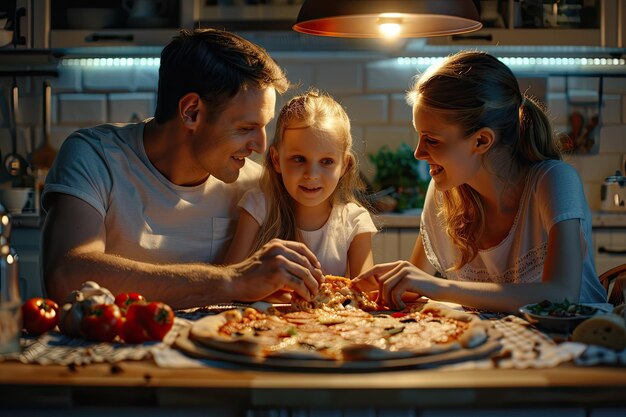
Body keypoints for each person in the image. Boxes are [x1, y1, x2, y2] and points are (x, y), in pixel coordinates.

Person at [41, 29, 324, 309]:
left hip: (214, 349)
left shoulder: (253, 186)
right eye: (246, 128)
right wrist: (233, 280)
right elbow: (66, 276)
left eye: (264, 127)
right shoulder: (94, 156)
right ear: (191, 112)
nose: (261, 146)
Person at [354, 51, 607, 313]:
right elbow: (412, 289)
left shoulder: (553, 180)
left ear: (481, 141)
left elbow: (561, 295)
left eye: (432, 140)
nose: (418, 152)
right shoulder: (444, 191)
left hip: (581, 344)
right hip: (496, 347)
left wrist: (438, 288)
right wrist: (372, 290)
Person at [225, 89, 377, 281]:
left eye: (327, 161)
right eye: (299, 159)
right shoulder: (258, 206)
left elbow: (366, 293)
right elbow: (230, 279)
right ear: (276, 160)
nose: (311, 175)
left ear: (344, 165)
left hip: (331, 312)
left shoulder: (355, 221)